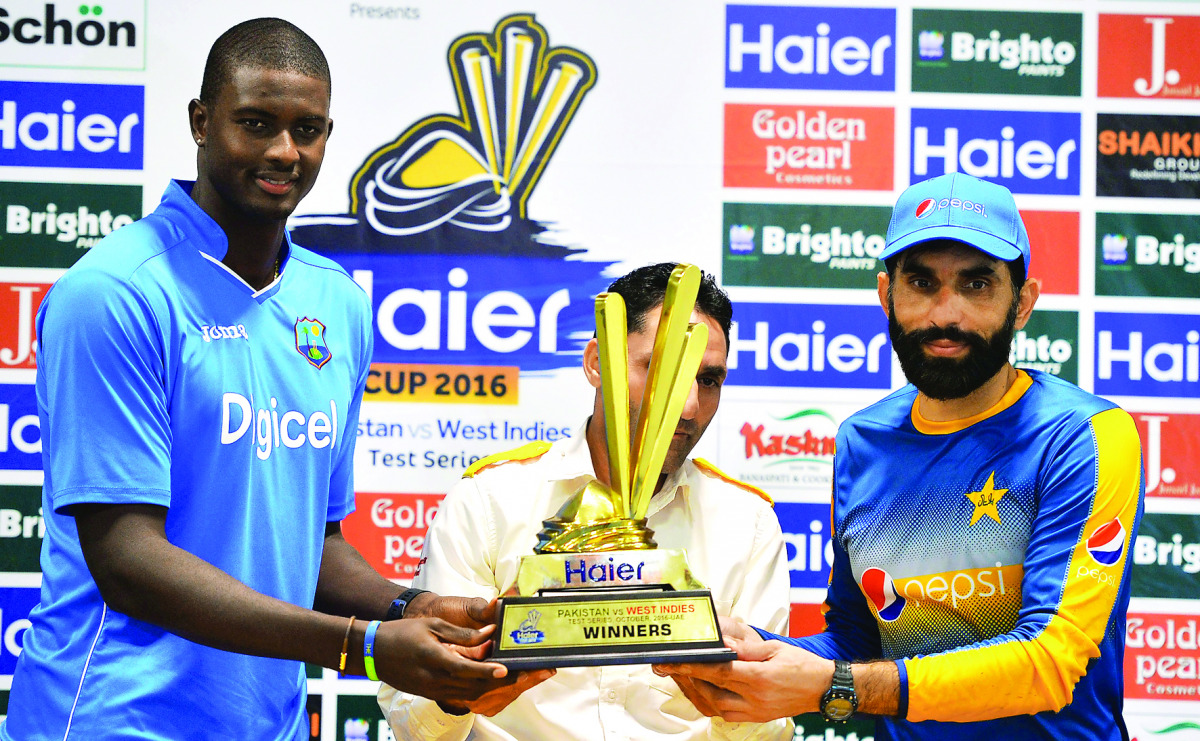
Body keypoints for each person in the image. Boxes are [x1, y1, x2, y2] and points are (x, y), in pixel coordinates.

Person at [2, 19, 530, 741]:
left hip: (266, 723)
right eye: (257, 123)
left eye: (307, 129)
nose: (285, 151)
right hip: (113, 719)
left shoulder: (335, 300)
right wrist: (364, 646)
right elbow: (127, 557)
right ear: (201, 122)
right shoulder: (115, 292)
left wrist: (407, 608)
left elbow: (314, 542)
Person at [658, 173, 1145, 740]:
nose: (947, 314)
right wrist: (754, 651)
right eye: (921, 282)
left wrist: (831, 686)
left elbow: (1052, 660)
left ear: (1023, 303)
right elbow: (858, 642)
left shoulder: (1083, 434)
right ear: (887, 294)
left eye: (978, 285)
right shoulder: (862, 442)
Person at [379, 263, 794, 740]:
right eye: (662, 372)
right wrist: (460, 687)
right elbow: (414, 721)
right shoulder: (491, 499)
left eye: (709, 380)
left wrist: (726, 675)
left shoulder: (748, 523)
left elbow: (768, 731)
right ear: (598, 363)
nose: (687, 408)